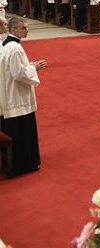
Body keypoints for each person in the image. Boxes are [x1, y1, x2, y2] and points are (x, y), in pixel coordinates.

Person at [0, 17, 47, 176]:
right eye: (23, 28)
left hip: (9, 94)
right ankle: (24, 164)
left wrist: (29, 66)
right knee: (22, 131)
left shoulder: (6, 45)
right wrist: (34, 68)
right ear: (13, 29)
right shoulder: (15, 48)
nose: (27, 30)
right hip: (17, 96)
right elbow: (19, 74)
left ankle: (14, 163)